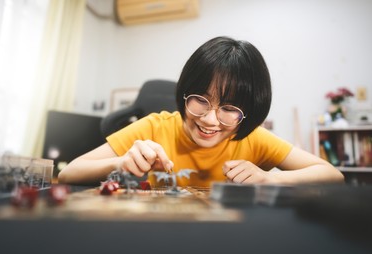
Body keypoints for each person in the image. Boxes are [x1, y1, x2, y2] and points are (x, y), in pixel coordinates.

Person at [58, 36, 344, 188]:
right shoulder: (155, 127)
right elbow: (69, 172)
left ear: (249, 113)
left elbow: (332, 174)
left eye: (229, 109)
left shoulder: (253, 138)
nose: (209, 120)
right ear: (184, 93)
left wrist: (273, 177)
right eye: (200, 100)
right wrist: (119, 164)